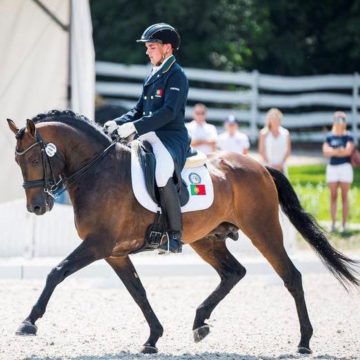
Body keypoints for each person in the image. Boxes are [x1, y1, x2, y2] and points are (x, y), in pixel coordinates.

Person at [104, 23, 189, 253]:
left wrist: (135, 126)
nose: (147, 51)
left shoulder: (176, 75)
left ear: (167, 48)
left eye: (151, 47)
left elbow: (168, 113)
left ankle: (174, 235)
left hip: (171, 138)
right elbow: (139, 109)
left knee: (161, 172)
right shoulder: (153, 73)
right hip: (150, 133)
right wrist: (118, 122)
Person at [322, 111, 354, 233]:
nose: (339, 122)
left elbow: (348, 151)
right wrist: (339, 150)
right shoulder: (330, 136)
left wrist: (333, 150)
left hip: (345, 167)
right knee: (333, 196)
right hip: (333, 168)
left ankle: (344, 224)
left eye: (342, 120)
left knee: (344, 196)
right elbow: (325, 151)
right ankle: (333, 223)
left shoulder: (348, 136)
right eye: (337, 119)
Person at [258, 108, 291, 174]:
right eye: (273, 119)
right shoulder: (264, 133)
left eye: (277, 119)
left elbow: (288, 151)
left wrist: (281, 164)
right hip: (267, 166)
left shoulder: (285, 133)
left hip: (281, 166)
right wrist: (270, 165)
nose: (275, 121)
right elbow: (262, 151)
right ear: (269, 120)